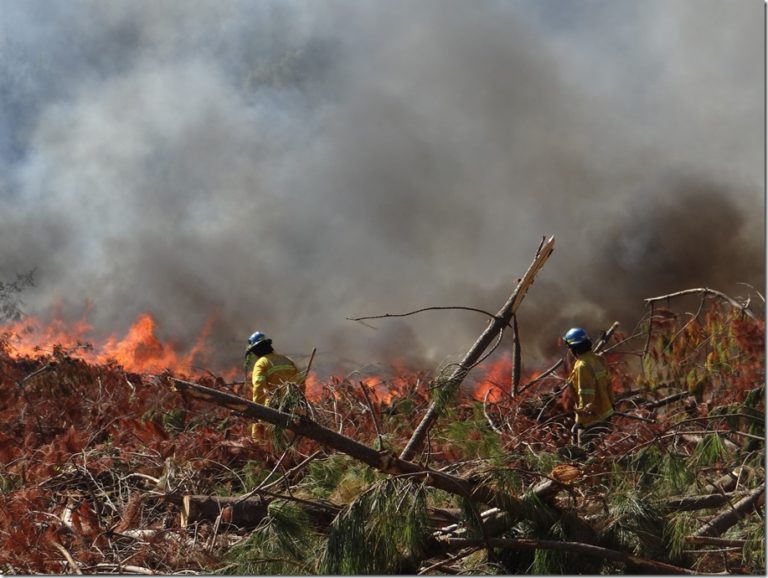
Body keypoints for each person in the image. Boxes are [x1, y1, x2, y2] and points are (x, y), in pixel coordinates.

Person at [563, 327, 614, 450]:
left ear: (573, 348)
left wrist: (582, 420)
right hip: (606, 413)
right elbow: (608, 384)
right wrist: (612, 404)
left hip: (592, 418)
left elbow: (586, 394)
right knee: (603, 451)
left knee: (587, 453)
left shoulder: (583, 366)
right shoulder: (598, 359)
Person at [244, 331, 299, 437]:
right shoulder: (287, 360)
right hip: (292, 412)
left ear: (256, 350)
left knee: (261, 441)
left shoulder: (261, 363)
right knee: (291, 443)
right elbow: (300, 384)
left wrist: (257, 412)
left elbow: (259, 389)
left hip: (271, 411)